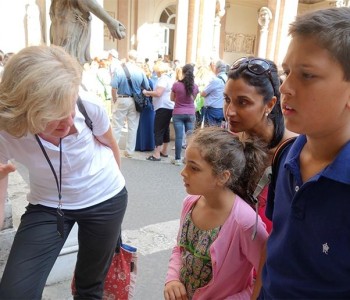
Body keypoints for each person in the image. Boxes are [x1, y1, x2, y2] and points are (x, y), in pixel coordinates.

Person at [0, 45, 127, 299]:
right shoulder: (7, 130)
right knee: (14, 292)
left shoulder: (88, 106)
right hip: (47, 205)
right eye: (56, 116)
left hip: (106, 198)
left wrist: (113, 195)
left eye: (70, 109)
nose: (70, 123)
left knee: (89, 288)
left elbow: (111, 147)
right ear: (28, 110)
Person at [254, 7, 350, 299]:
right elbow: (276, 240)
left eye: (307, 75)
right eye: (286, 72)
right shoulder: (285, 155)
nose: (285, 87)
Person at [164, 127, 269, 300]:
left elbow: (266, 275)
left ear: (222, 177)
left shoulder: (245, 222)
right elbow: (179, 249)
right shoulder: (190, 204)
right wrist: (173, 279)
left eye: (194, 168)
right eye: (185, 164)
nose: (183, 173)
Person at [223, 57, 297, 233]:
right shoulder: (230, 140)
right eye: (227, 99)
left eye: (243, 102)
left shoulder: (293, 153)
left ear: (270, 104)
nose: (229, 111)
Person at [49, 0, 126, 65]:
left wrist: (110, 21)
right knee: (67, 68)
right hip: (66, 35)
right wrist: (110, 21)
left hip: (66, 33)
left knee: (65, 67)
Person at [111, 49, 150, 158]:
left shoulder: (119, 69)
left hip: (122, 98)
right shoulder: (140, 70)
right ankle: (129, 151)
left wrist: (115, 100)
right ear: (136, 59)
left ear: (128, 57)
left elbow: (114, 88)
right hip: (135, 101)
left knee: (117, 126)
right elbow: (147, 87)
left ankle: (113, 150)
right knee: (133, 126)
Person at [143, 62, 174, 161]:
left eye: (155, 70)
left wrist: (147, 92)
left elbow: (158, 93)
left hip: (162, 106)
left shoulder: (163, 79)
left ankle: (157, 154)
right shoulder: (169, 78)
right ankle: (164, 151)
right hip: (168, 106)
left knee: (158, 129)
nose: (155, 72)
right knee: (165, 129)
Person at [170, 64, 199, 166]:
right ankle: (188, 159)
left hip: (178, 112)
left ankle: (177, 159)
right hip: (190, 113)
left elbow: (172, 99)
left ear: (182, 72)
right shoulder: (195, 87)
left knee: (179, 136)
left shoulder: (176, 85)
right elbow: (193, 99)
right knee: (189, 137)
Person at [200, 59, 227, 127]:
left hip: (212, 111)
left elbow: (203, 93)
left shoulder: (215, 80)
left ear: (217, 69)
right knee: (217, 132)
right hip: (222, 109)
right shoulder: (228, 78)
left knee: (209, 132)